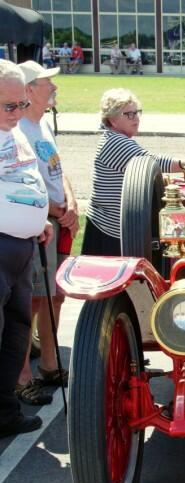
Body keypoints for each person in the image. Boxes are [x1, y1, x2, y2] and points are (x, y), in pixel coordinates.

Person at [15, 60, 79, 405]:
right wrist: (56, 210)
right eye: (46, 83)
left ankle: (51, 365)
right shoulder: (19, 129)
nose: (54, 88)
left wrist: (70, 202)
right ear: (28, 90)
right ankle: (23, 375)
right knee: (33, 300)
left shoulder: (41, 126)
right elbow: (24, 180)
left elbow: (59, 169)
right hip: (39, 225)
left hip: (57, 221)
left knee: (56, 297)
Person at [0, 59, 53, 437]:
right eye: (10, 106)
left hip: (23, 245)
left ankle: (5, 411)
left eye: (21, 104)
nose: (19, 112)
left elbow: (27, 177)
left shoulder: (15, 129)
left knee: (17, 330)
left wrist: (40, 218)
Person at [82, 88, 185, 256]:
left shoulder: (115, 138)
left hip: (113, 228)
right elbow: (153, 163)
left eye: (137, 112)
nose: (136, 118)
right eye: (129, 114)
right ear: (112, 119)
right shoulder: (116, 142)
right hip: (111, 233)